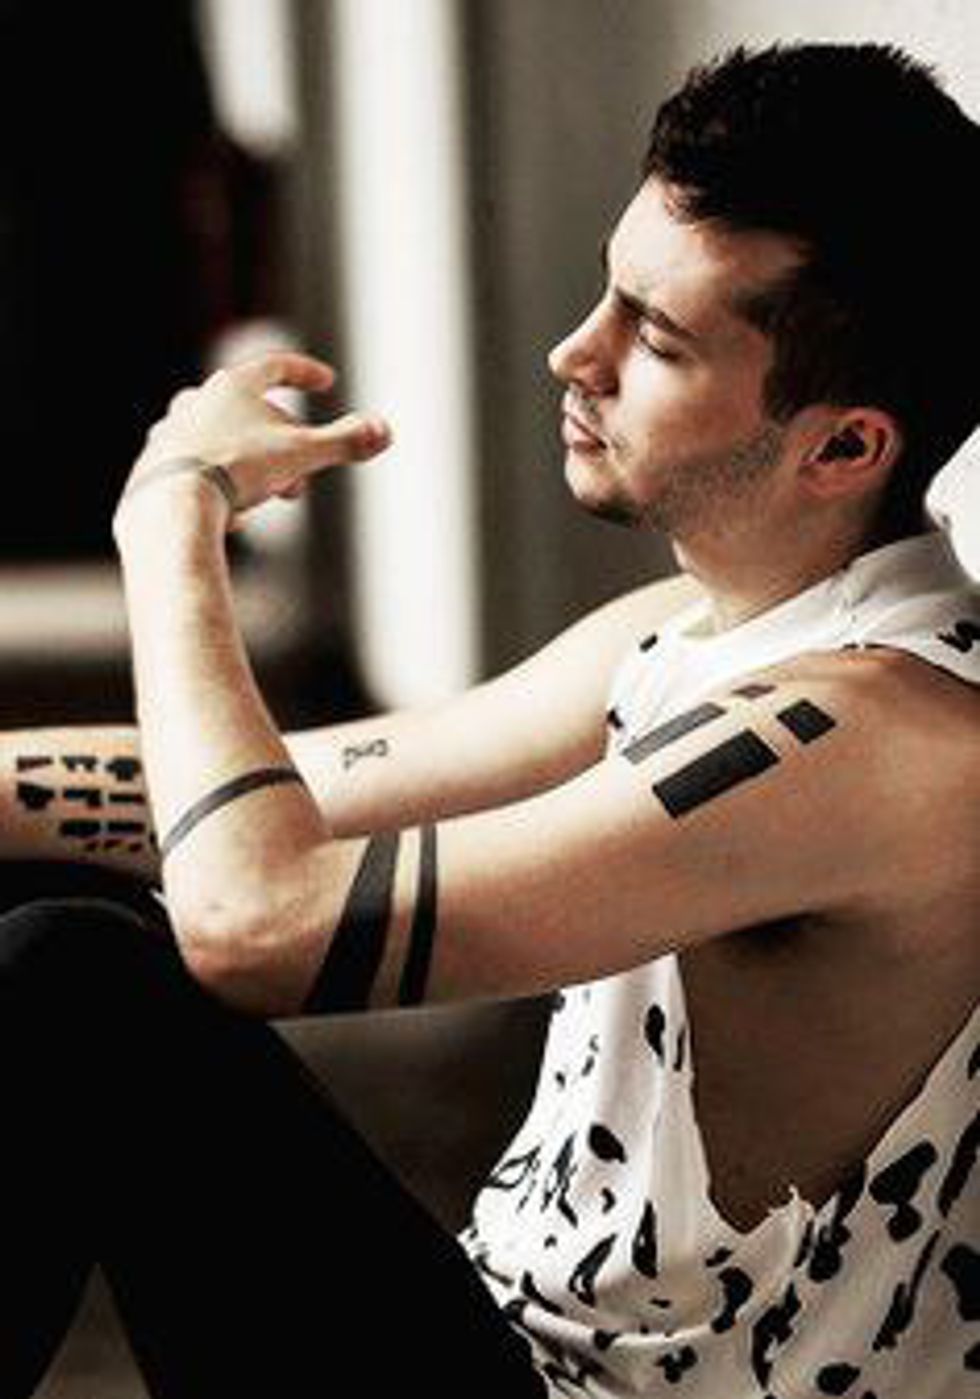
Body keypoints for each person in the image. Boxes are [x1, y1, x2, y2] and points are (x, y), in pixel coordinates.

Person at [0, 40, 977, 1399]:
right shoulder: (689, 635)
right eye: (609, 293)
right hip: (500, 1345)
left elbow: (255, 919)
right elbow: (280, 791)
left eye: (657, 338)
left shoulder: (877, 741)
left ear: (845, 445)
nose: (577, 354)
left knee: (69, 984)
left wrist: (170, 524)